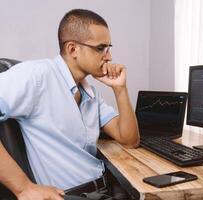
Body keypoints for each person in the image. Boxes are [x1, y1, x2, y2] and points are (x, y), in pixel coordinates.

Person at [0, 9, 140, 200]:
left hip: (103, 189)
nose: (109, 57)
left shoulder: (90, 93)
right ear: (72, 49)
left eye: (108, 48)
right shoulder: (37, 75)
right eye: (101, 48)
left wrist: (120, 89)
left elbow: (129, 140)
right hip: (69, 195)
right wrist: (23, 188)